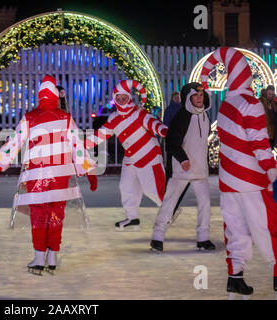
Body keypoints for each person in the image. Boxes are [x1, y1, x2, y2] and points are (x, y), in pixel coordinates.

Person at [0, 75, 97, 275]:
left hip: (36, 175)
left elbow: (14, 143)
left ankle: (39, 257)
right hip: (61, 174)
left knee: (39, 215)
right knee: (56, 214)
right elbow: (77, 147)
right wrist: (88, 171)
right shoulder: (65, 118)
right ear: (55, 96)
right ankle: (52, 256)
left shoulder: (30, 118)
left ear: (40, 96)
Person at [201, 47, 277, 299]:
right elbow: (258, 143)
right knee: (268, 227)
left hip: (228, 181)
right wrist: (272, 170)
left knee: (235, 230)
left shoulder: (225, 106)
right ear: (246, 77)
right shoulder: (251, 103)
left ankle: (235, 279)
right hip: (252, 181)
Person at [86, 80, 168, 231]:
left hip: (148, 156)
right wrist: (83, 146)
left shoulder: (140, 113)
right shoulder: (114, 118)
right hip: (130, 159)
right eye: (118, 98)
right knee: (126, 187)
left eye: (124, 97)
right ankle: (132, 217)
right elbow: (100, 135)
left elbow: (153, 124)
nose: (122, 101)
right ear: (115, 99)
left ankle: (169, 211)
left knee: (153, 188)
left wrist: (165, 131)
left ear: (129, 97)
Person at [150, 82, 214, 252]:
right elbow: (172, 142)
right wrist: (183, 159)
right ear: (188, 98)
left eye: (201, 95)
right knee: (169, 203)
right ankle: (157, 237)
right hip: (181, 170)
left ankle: (203, 238)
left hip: (200, 170)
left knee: (205, 204)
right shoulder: (181, 117)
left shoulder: (205, 116)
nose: (199, 98)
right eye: (195, 95)